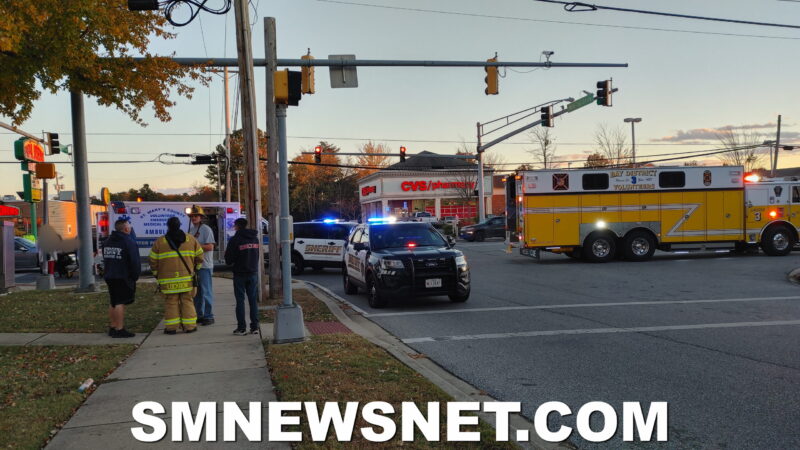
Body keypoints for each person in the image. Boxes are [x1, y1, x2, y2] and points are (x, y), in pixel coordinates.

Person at [150, 217, 204, 334]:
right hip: (187, 279)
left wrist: (156, 274)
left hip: (168, 281)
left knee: (171, 302)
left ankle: (171, 328)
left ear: (168, 226)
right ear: (180, 225)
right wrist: (196, 269)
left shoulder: (160, 242)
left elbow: (153, 261)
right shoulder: (191, 239)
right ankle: (190, 327)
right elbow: (200, 256)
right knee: (187, 301)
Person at [102, 219, 140, 338]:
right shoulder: (128, 242)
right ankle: (119, 329)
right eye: (129, 226)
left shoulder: (108, 241)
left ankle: (113, 326)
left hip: (109, 275)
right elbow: (134, 261)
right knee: (120, 302)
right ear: (126, 229)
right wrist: (135, 276)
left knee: (113, 301)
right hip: (122, 276)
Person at [224, 218, 260, 335]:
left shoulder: (235, 240)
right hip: (253, 273)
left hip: (239, 274)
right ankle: (255, 327)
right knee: (253, 301)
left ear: (237, 226)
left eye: (235, 226)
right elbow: (257, 255)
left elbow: (228, 260)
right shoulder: (255, 238)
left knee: (240, 301)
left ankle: (241, 328)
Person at [187, 205, 216, 325]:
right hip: (195, 266)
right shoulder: (191, 231)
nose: (194, 218)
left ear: (201, 217)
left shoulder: (206, 229)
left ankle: (209, 316)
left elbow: (210, 246)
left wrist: (195, 247)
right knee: (197, 293)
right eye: (192, 216)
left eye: (196, 216)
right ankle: (200, 315)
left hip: (205, 265)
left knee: (206, 291)